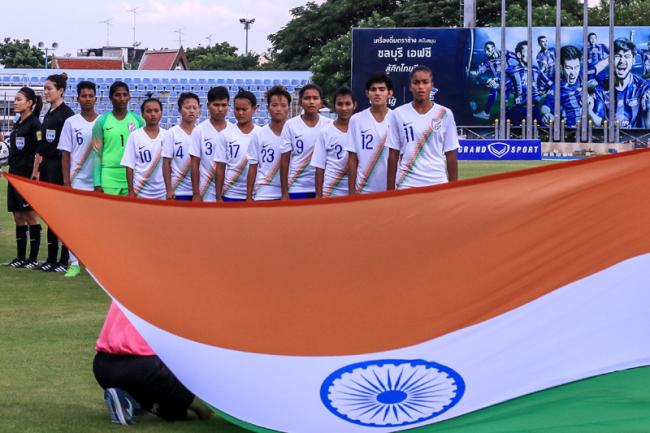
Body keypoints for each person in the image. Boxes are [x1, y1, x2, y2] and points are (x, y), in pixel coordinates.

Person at [94, 303, 213, 425]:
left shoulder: (124, 293)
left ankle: (130, 400)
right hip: (143, 368)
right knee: (204, 409)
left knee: (176, 410)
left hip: (102, 367)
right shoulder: (168, 298)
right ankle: (133, 400)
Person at [387, 65, 459, 190]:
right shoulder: (398, 114)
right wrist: (390, 190)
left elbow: (451, 154)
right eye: (416, 82)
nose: (421, 87)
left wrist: (454, 189)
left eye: (425, 82)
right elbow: (393, 154)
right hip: (407, 184)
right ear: (410, 86)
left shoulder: (445, 114)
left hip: (437, 182)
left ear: (432, 86)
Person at [57, 80, 99, 277]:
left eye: (91, 96)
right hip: (77, 180)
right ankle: (74, 262)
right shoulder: (71, 122)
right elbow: (65, 153)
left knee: (96, 225)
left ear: (96, 99)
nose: (87, 99)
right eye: (84, 96)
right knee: (74, 224)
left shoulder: (103, 122)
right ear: (77, 99)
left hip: (99, 181)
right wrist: (66, 182)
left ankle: (92, 263)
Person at [37, 73, 75, 272]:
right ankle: (51, 258)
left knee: (62, 215)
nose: (46, 92)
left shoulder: (67, 114)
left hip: (59, 166)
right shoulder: (48, 112)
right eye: (45, 88)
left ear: (60, 90)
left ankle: (63, 260)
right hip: (47, 165)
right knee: (50, 213)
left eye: (49, 88)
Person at [5, 87, 43, 269]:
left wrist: (35, 174)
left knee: (30, 216)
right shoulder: (18, 123)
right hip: (14, 173)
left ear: (29, 103)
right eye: (15, 99)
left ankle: (32, 259)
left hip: (27, 176)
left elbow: (39, 151)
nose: (15, 102)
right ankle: (20, 258)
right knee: (17, 216)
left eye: (19, 99)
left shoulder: (35, 124)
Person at [279, 84, 331, 200]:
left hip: (324, 187)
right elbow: (284, 161)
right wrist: (284, 193)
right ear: (300, 102)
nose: (311, 102)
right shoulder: (290, 125)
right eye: (307, 98)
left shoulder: (329, 125)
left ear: (321, 103)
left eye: (315, 98)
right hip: (297, 187)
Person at [93, 81, 145, 196]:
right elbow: (97, 154)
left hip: (133, 176)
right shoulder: (102, 121)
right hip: (109, 176)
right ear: (110, 98)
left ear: (129, 97)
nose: (122, 98)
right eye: (117, 95)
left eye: (125, 95)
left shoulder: (139, 121)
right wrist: (97, 183)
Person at [346, 73, 393, 195]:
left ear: (390, 93)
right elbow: (352, 158)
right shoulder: (356, 120)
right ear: (367, 93)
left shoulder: (397, 118)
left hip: (392, 189)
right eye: (373, 89)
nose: (377, 93)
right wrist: (351, 193)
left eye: (382, 89)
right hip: (363, 190)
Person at [592, 38, 650, 128]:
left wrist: (649, 108)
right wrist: (588, 110)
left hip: (635, 137)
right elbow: (598, 123)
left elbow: (648, 126)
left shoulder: (643, 87)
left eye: (627, 56)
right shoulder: (601, 89)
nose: (622, 60)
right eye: (617, 56)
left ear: (633, 60)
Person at [246, 86, 290, 201]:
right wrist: (249, 197)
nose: (279, 109)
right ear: (268, 108)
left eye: (283, 105)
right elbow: (253, 167)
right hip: (264, 190)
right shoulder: (258, 134)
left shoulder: (294, 134)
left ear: (289, 108)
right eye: (274, 105)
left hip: (290, 189)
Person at [214, 90, 259, 202]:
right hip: (230, 194)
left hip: (256, 194)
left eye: (244, 109)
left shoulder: (261, 134)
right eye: (237, 109)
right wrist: (218, 197)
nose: (240, 113)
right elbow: (220, 167)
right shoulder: (225, 134)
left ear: (254, 109)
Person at [189, 86, 232, 202]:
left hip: (229, 190)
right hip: (205, 189)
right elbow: (194, 164)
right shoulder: (199, 130)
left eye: (224, 105)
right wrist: (196, 193)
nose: (220, 109)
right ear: (208, 105)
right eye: (216, 105)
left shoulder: (233, 131)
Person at [311, 87, 356, 198]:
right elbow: (319, 168)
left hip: (356, 190)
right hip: (331, 192)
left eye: (348, 104)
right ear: (334, 106)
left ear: (354, 105)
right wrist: (318, 196)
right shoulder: (325, 132)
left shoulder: (361, 130)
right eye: (340, 104)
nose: (344, 108)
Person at [121, 97, 169, 200]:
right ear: (142, 114)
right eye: (149, 111)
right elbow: (129, 166)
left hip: (162, 192)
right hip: (140, 191)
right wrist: (131, 191)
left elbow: (170, 165)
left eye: (156, 110)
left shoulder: (167, 136)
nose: (153, 114)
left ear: (161, 113)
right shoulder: (135, 136)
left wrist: (169, 190)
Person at [162, 93, 199, 201]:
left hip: (199, 190)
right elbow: (166, 163)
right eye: (187, 108)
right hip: (178, 190)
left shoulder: (202, 133)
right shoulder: (171, 133)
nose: (191, 111)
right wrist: (169, 189)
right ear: (179, 110)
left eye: (195, 108)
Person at [505, 41, 544, 126]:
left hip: (535, 110)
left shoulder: (536, 69)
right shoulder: (511, 70)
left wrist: (541, 90)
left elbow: (548, 83)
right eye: (527, 52)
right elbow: (502, 85)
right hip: (519, 110)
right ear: (519, 55)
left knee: (543, 131)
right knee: (515, 132)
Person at [471, 41, 501, 120]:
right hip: (500, 81)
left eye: (488, 49)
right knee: (492, 86)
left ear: (493, 48)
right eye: (485, 50)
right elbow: (480, 70)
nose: (486, 52)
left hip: (509, 80)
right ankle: (486, 113)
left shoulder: (504, 54)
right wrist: (473, 72)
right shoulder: (488, 62)